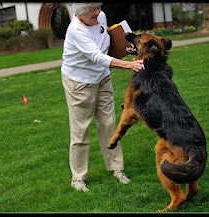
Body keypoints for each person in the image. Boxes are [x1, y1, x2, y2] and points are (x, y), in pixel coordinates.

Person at [61, 2, 144, 192]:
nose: (98, 12)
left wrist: (127, 50)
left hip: (102, 77)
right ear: (80, 13)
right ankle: (78, 178)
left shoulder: (101, 17)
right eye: (92, 9)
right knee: (80, 130)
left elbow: (107, 42)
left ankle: (117, 169)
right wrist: (129, 65)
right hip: (79, 83)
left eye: (98, 7)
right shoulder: (76, 30)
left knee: (109, 123)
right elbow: (97, 57)